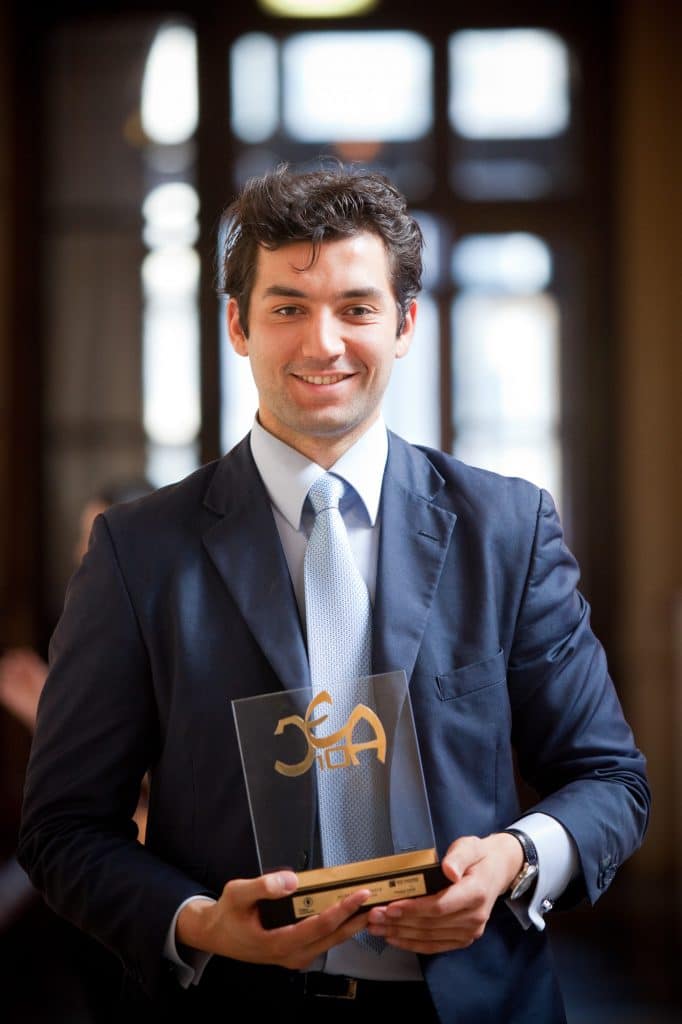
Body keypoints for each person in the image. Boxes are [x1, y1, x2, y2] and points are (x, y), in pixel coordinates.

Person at [16, 162, 650, 1024]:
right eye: (288, 308)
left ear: (404, 325)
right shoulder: (137, 553)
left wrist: (515, 857)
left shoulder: (507, 528)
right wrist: (203, 923)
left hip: (474, 1004)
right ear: (238, 325)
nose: (323, 343)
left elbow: (610, 779)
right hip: (233, 1003)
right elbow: (62, 828)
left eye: (356, 308)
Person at [0, 477, 154, 1022]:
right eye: (84, 546)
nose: (83, 561)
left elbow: (172, 805)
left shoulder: (166, 640)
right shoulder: (86, 639)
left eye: (100, 545)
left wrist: (52, 720)